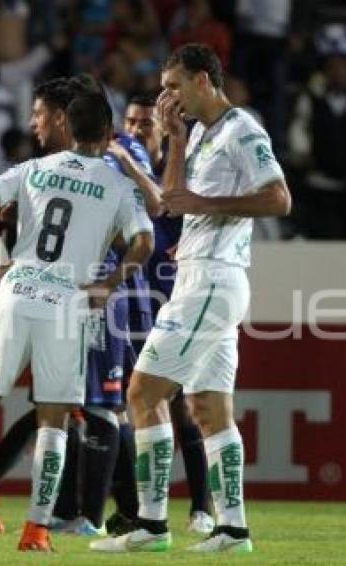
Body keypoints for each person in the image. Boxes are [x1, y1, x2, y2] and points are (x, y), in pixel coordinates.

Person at [0, 91, 154, 552]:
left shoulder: (34, 169)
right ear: (108, 135)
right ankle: (37, 530)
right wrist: (109, 284)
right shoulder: (116, 186)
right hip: (68, 303)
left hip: (17, 291)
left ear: (67, 126)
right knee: (53, 420)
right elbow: (144, 242)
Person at [90, 43, 290, 554]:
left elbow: (279, 198)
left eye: (175, 86)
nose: (167, 96)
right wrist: (176, 140)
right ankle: (233, 531)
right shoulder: (200, 132)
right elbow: (170, 200)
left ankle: (152, 526)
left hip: (212, 281)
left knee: (141, 393)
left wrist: (209, 205)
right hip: (201, 276)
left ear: (204, 80)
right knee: (207, 408)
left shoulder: (243, 129)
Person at [111, 93, 215, 536]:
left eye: (144, 124)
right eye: (130, 123)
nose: (135, 131)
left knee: (183, 405)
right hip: (133, 306)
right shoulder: (121, 182)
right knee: (131, 406)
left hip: (177, 302)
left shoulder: (176, 178)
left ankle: (201, 506)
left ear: (161, 132)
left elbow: (169, 207)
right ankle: (135, 506)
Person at [288, 23, 346, 239]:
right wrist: (301, 153)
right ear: (324, 69)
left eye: (342, 66)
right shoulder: (312, 96)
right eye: (332, 66)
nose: (337, 71)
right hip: (319, 181)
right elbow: (299, 127)